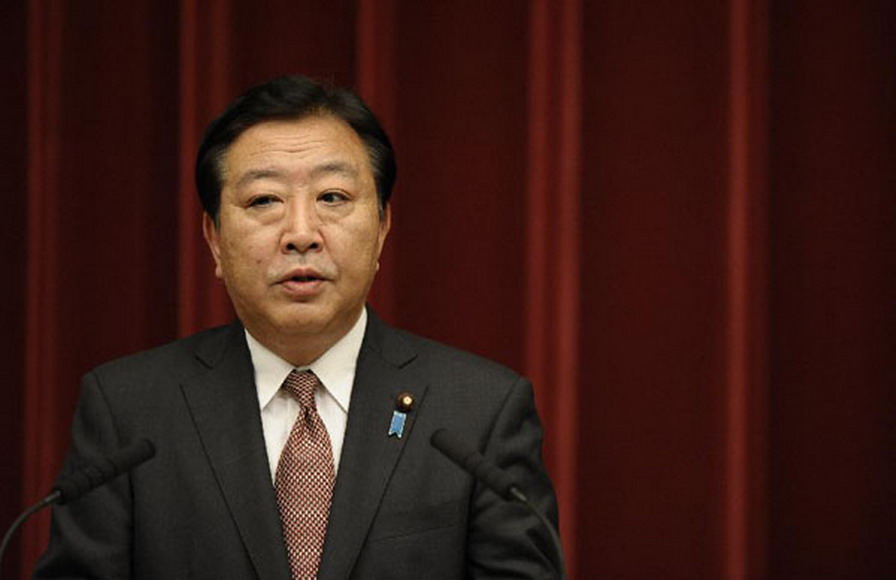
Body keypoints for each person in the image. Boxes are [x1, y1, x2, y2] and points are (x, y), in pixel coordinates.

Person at [34, 75, 559, 579]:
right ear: (214, 238)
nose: (301, 233)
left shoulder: (478, 412)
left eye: (332, 197)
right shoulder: (129, 410)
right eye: (264, 200)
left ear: (382, 229)